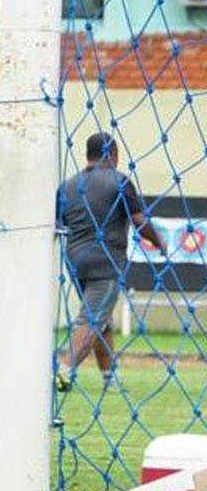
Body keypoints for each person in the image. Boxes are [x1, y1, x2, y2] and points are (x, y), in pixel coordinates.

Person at [55, 131, 164, 392]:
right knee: (92, 319)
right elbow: (139, 222)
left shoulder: (68, 185)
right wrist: (160, 242)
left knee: (102, 321)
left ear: (87, 156)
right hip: (107, 263)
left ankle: (110, 380)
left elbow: (59, 225)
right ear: (113, 155)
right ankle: (65, 367)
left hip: (76, 263)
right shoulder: (119, 181)